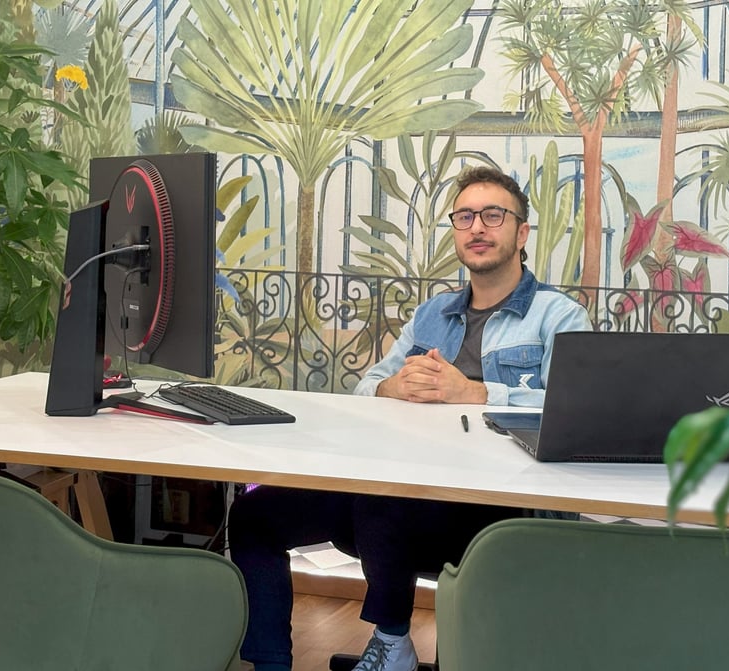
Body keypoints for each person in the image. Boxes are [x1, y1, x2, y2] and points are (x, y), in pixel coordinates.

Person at [228, 166, 592, 671]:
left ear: (521, 232)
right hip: (400, 502)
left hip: (500, 509)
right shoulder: (433, 315)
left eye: (493, 215)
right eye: (464, 217)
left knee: (386, 489)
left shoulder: (559, 316)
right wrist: (391, 386)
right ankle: (271, 664)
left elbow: (571, 411)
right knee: (256, 515)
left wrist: (476, 393)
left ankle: (392, 637)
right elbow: (366, 384)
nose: (477, 228)